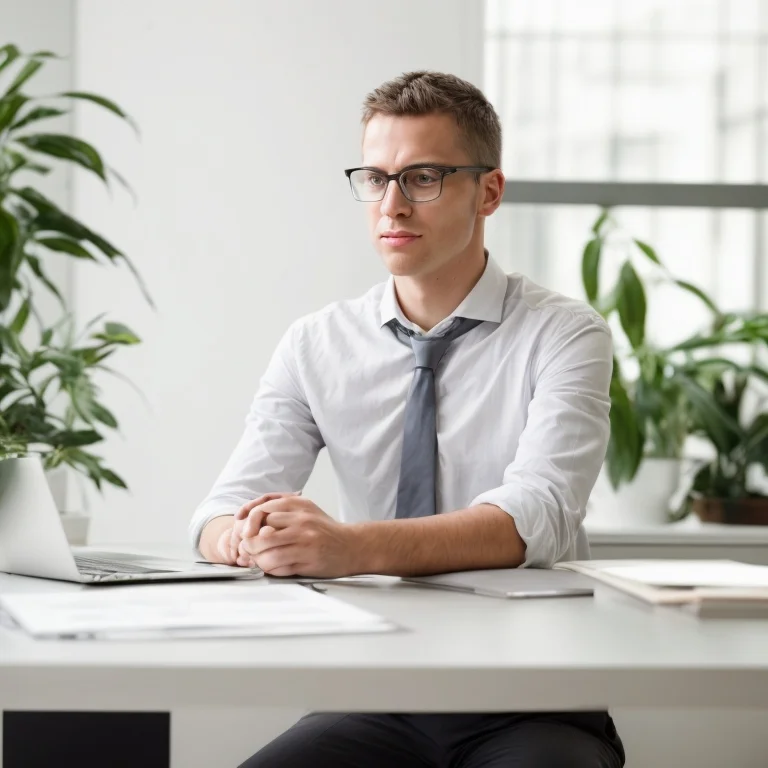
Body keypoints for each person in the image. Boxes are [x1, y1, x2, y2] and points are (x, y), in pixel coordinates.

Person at [190, 70, 625, 768]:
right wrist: (249, 537)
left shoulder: (565, 334)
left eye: (423, 178)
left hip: (532, 696)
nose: (392, 205)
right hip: (376, 694)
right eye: (376, 178)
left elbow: (534, 517)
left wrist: (347, 548)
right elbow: (218, 511)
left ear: (488, 192)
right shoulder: (316, 343)